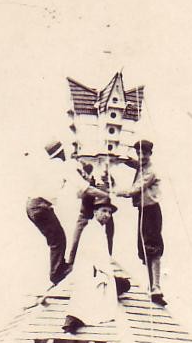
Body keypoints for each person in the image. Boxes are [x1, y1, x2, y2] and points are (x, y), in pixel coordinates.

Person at [62, 199, 130, 333]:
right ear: (95, 212)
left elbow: (102, 257)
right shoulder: (91, 229)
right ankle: (72, 321)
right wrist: (102, 272)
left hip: (98, 271)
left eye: (109, 212)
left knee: (123, 284)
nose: (107, 215)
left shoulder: (99, 229)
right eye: (104, 211)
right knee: (87, 297)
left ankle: (75, 319)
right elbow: (90, 256)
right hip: (90, 272)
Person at [114, 139, 165, 305]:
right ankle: (153, 288)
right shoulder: (143, 166)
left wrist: (115, 192)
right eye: (139, 153)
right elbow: (136, 164)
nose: (141, 156)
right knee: (144, 249)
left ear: (150, 154)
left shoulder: (151, 171)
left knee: (153, 248)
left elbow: (134, 189)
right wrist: (123, 159)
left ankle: (156, 287)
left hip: (151, 212)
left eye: (144, 153)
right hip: (144, 211)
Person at [24, 140, 71, 286]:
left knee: (55, 238)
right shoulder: (59, 164)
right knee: (58, 239)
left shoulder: (49, 165)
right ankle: (57, 273)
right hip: (40, 205)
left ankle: (59, 267)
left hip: (32, 205)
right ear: (61, 153)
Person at [67, 162, 114, 264]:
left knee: (107, 239)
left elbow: (112, 188)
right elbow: (79, 194)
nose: (84, 175)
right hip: (86, 215)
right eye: (83, 173)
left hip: (102, 213)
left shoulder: (105, 177)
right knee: (76, 241)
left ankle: (107, 262)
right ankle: (71, 264)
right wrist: (88, 185)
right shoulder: (83, 181)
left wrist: (107, 184)